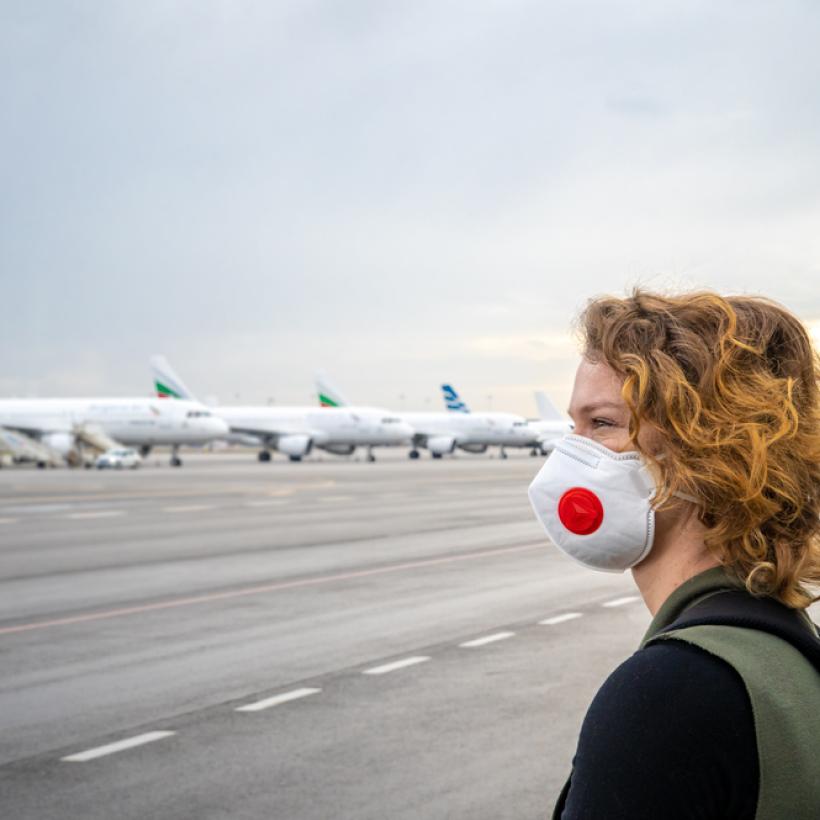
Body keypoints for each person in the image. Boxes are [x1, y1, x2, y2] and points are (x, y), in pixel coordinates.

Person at [527, 290, 820, 819]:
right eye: (573, 427)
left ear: (705, 452)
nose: (569, 453)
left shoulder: (666, 695)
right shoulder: (784, 645)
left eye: (601, 424)